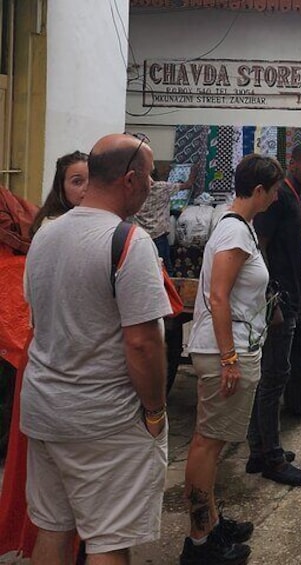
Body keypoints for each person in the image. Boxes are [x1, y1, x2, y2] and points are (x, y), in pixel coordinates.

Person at [22, 134, 171, 564]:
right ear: (130, 179)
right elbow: (142, 343)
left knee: (53, 527)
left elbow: (40, 317)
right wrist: (156, 410)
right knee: (107, 539)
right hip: (103, 421)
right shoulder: (128, 241)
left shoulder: (46, 235)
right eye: (149, 177)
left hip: (45, 410)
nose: (150, 187)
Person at [181, 154, 281, 564]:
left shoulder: (238, 227)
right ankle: (200, 540)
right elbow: (218, 296)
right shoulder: (235, 235)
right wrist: (229, 358)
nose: (276, 199)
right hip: (224, 348)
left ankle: (211, 522)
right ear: (258, 191)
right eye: (273, 192)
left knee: (213, 442)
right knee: (207, 444)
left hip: (232, 343)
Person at [245, 143, 301, 487]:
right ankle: (271, 458)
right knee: (275, 377)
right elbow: (259, 247)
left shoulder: (292, 198)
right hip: (278, 302)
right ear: (292, 165)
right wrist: (270, 294)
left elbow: (283, 249)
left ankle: (259, 449)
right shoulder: (279, 200)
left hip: (289, 291)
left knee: (271, 376)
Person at [132, 162, 199, 273]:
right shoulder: (162, 187)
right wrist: (193, 172)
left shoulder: (135, 190)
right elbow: (188, 184)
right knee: (165, 270)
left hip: (140, 236)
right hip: (158, 236)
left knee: (143, 268)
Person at [30, 151, 89, 235]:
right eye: (77, 182)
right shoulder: (53, 226)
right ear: (61, 186)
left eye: (93, 180)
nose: (87, 187)